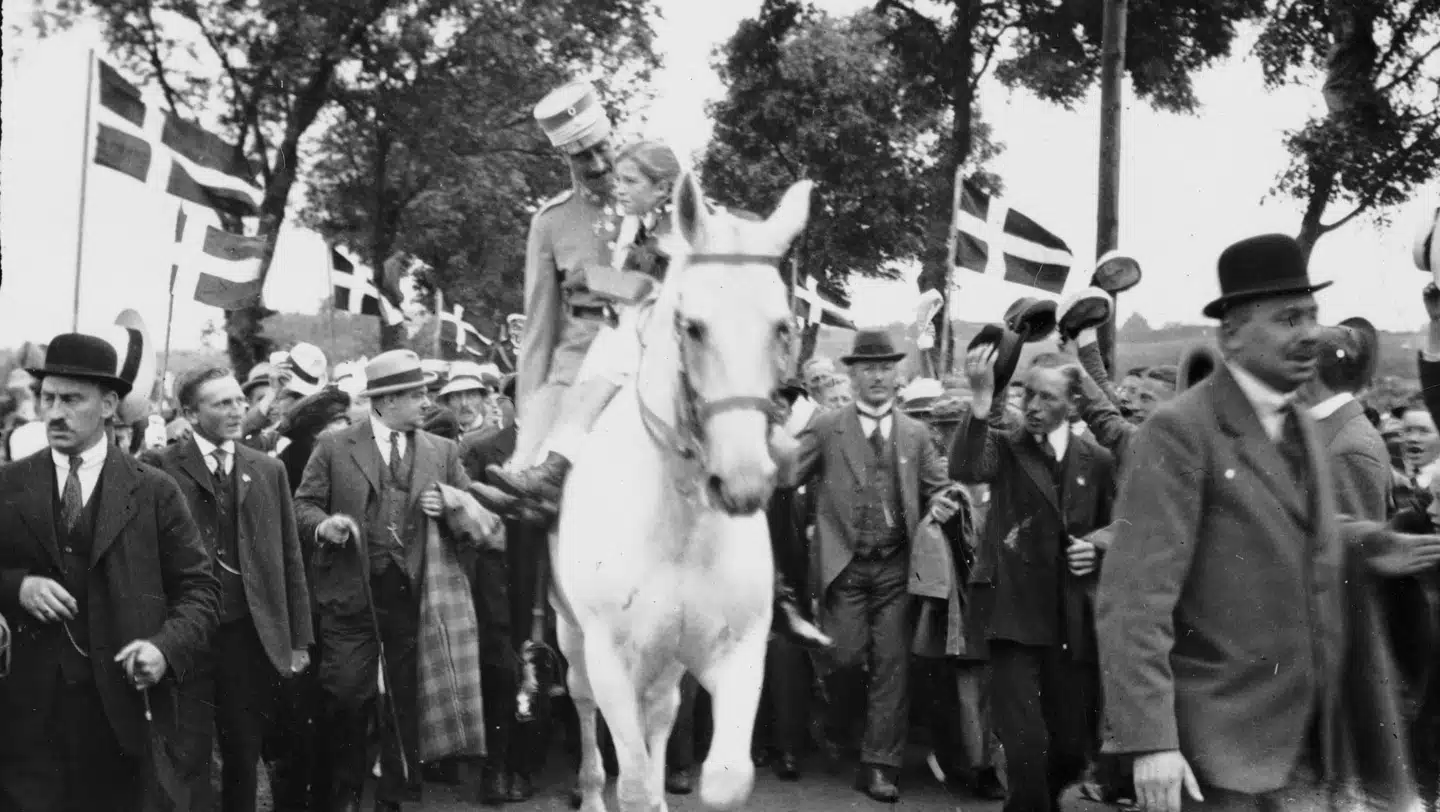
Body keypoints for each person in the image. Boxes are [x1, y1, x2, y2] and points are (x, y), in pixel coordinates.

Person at [1097, 234, 1434, 812]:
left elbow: (1298, 526)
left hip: (1308, 741)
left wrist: (1370, 542)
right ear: (1232, 334)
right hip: (1218, 749)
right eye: (1287, 319)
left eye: (1312, 316)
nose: (1310, 334)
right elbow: (1134, 599)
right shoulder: (1179, 431)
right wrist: (1151, 741)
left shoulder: (1301, 425)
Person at [489, 138, 831, 648]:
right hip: (632, 336)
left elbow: (666, 290)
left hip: (682, 349)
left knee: (770, 457)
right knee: (587, 390)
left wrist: (603, 282)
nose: (617, 190)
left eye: (630, 183)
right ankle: (550, 505)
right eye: (619, 181)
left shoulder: (695, 226)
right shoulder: (624, 223)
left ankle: (779, 592)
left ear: (663, 190)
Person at [0, 331, 220, 811]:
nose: (54, 412)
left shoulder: (154, 490)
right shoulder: (9, 484)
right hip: (24, 712)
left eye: (72, 399)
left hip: (121, 710)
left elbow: (200, 589)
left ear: (109, 405)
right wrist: (17, 585)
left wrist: (164, 648)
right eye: (47, 398)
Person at [294, 350, 501, 812]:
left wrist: (448, 505)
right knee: (348, 694)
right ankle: (344, 792)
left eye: (425, 392)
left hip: (416, 595)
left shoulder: (443, 451)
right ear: (384, 402)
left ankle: (397, 796)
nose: (426, 402)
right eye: (415, 394)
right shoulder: (334, 447)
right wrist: (323, 526)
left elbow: (471, 514)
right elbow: (302, 505)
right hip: (350, 595)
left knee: (407, 701)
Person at [785, 329, 961, 803]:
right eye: (868, 368)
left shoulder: (916, 432)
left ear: (898, 374)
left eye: (886, 367)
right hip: (844, 565)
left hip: (896, 568)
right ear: (853, 374)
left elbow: (939, 486)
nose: (878, 376)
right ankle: (839, 722)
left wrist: (943, 502)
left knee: (893, 665)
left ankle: (879, 765)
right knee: (842, 657)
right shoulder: (826, 426)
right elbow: (786, 476)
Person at [952, 350, 1118, 812]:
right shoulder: (1007, 445)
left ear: (1072, 402)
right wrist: (982, 401)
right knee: (1025, 745)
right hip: (1012, 613)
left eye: (1048, 397)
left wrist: (1100, 546)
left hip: (1071, 618)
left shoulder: (1098, 460)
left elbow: (1127, 518)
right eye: (1028, 393)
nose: (1034, 406)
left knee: (1070, 747)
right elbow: (967, 468)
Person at [151, 366, 314, 812]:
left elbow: (289, 558)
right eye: (221, 403)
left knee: (244, 751)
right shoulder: (160, 467)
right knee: (189, 754)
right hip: (187, 635)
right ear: (189, 412)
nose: (236, 410)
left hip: (248, 636)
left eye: (239, 401)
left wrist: (299, 637)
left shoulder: (268, 469)